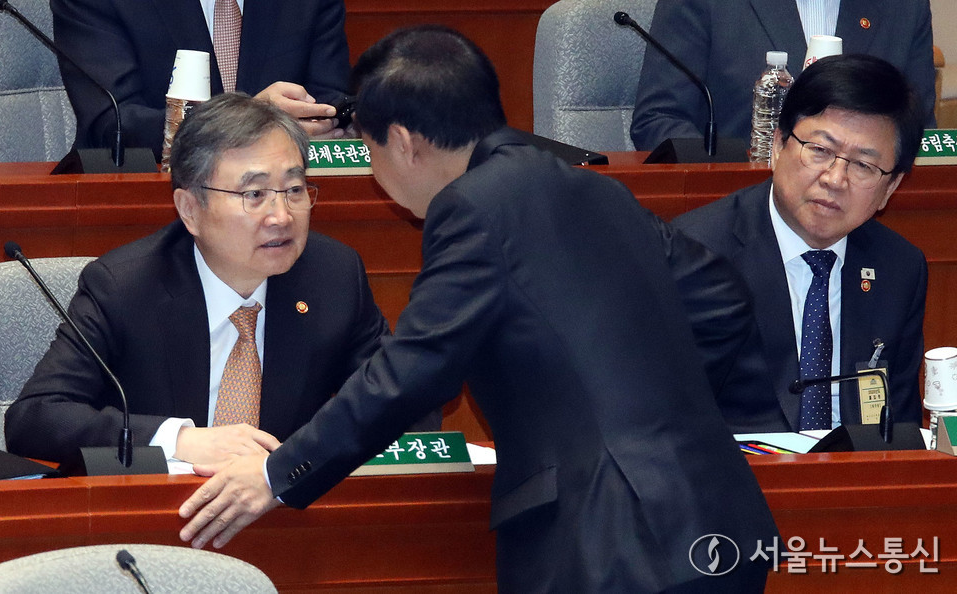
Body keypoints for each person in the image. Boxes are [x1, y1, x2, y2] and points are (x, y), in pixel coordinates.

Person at [178, 26, 777, 592]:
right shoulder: (589, 183)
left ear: (405, 143)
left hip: (612, 544)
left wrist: (278, 474)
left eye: (369, 147)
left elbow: (410, 371)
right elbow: (722, 303)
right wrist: (649, 410)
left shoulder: (473, 207)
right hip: (715, 516)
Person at [4, 93, 442, 468]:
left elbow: (407, 407)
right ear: (190, 209)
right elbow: (35, 418)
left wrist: (303, 458)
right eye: (253, 195)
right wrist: (182, 441)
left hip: (287, 519)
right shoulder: (124, 286)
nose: (281, 215)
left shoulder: (333, 275)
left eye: (294, 189)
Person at [673, 54, 927, 433]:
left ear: (890, 188)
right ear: (777, 145)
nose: (835, 178)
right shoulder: (695, 254)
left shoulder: (899, 268)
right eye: (820, 150)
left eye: (863, 165)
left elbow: (898, 432)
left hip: (857, 484)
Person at [51, 0, 351, 160]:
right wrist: (249, 121)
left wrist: (323, 122)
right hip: (149, 204)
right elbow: (114, 123)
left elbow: (332, 101)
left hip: (283, 194)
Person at [630, 0, 937, 151]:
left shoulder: (904, 7)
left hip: (866, 229)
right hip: (739, 219)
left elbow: (919, 133)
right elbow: (659, 119)